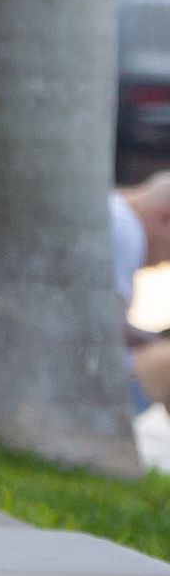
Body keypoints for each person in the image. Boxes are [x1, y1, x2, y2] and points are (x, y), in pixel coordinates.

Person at [112, 173, 170, 415]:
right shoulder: (127, 229)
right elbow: (101, 332)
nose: (166, 261)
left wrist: (145, 337)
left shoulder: (112, 208)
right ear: (165, 217)